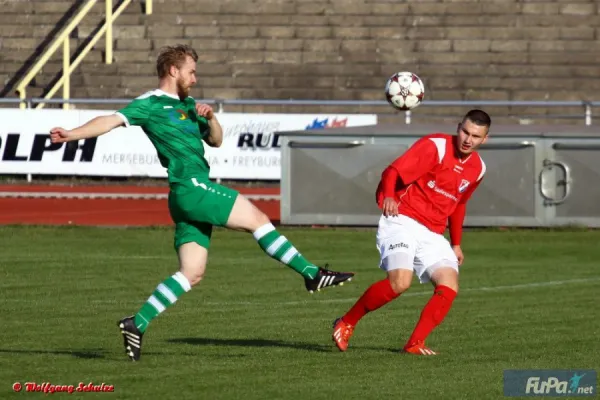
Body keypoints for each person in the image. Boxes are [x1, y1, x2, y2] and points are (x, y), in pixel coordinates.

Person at [50, 44, 354, 362]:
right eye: (191, 71)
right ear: (173, 70)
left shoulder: (189, 104)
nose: (195, 78)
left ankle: (136, 323)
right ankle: (310, 273)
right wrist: (72, 133)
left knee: (192, 272)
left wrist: (211, 118)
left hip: (186, 195)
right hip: (191, 187)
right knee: (259, 219)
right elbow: (109, 121)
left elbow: (217, 140)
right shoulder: (150, 103)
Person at [331, 109, 490, 355]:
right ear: (458, 128)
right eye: (465, 132)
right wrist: (390, 197)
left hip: (433, 232)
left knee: (449, 285)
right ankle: (346, 322)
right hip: (402, 219)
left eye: (476, 136)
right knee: (400, 283)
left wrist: (456, 243)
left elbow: (459, 204)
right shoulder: (435, 146)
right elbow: (393, 171)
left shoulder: (478, 168)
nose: (468, 140)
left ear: (484, 139)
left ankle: (414, 344)